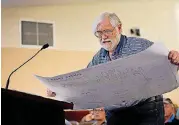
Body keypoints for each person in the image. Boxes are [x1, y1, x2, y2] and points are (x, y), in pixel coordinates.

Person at [47, 12, 179, 125]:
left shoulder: (140, 45)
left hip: (146, 111)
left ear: (119, 28)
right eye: (99, 33)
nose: (103, 37)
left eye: (107, 31)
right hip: (116, 114)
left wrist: (175, 58)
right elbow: (83, 84)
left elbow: (166, 61)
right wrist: (58, 91)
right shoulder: (98, 58)